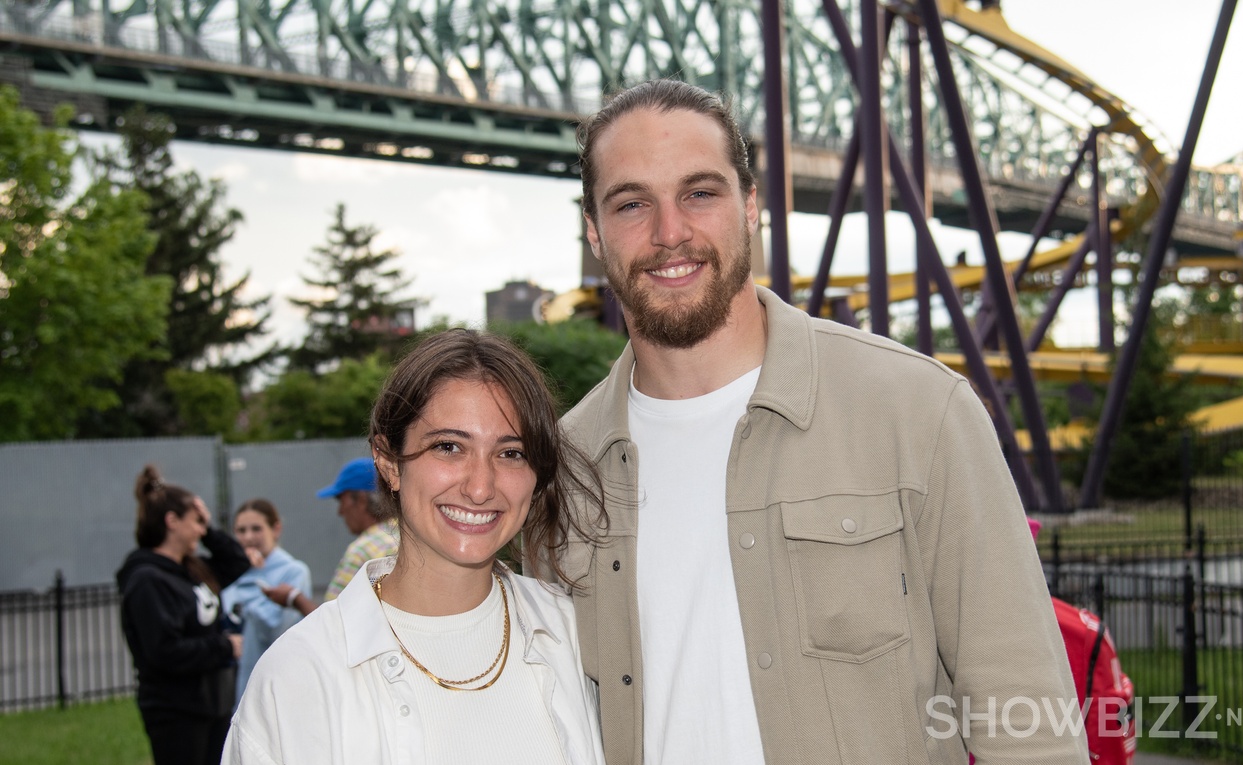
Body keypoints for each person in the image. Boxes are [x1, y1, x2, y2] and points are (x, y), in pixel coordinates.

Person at [557, 79, 1090, 764]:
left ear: (751, 206)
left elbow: (1030, 724)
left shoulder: (918, 413)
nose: (670, 232)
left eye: (700, 193)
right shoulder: (564, 465)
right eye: (632, 203)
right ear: (594, 232)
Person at [224, 329, 606, 765]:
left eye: (511, 453)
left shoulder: (576, 636)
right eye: (449, 447)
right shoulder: (299, 676)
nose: (481, 487)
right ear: (389, 462)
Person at [117, 465, 250, 765]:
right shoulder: (148, 580)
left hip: (213, 705)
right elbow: (164, 651)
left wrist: (210, 528)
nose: (201, 531)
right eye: (196, 521)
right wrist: (224, 647)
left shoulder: (192, 570)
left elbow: (237, 561)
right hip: (177, 712)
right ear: (172, 521)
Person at [220, 498, 312, 701]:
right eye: (241, 530)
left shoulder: (293, 571)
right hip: (226, 686)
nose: (248, 537)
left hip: (273, 684)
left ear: (276, 529)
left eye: (256, 529)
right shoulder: (231, 573)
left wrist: (247, 605)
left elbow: (279, 629)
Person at [316, 456, 399, 600]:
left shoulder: (362, 551)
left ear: (361, 500)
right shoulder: (411, 537)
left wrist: (294, 598)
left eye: (341, 501)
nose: (340, 511)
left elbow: (334, 611)